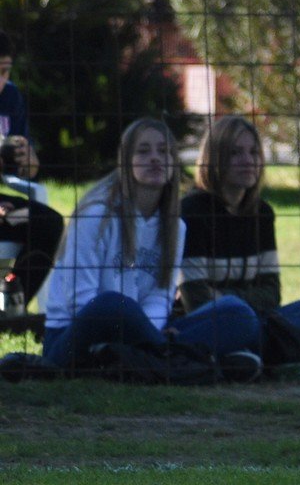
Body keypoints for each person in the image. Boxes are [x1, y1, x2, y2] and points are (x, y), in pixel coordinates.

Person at [41, 118, 260, 375]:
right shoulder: (95, 216)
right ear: (126, 161)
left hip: (141, 335)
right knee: (112, 304)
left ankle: (161, 360)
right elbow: (80, 302)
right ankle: (186, 362)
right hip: (73, 337)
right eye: (143, 151)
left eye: (164, 151)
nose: (155, 158)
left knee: (237, 313)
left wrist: (148, 331)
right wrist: (140, 330)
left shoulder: (175, 227)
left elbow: (160, 296)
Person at [178, 115, 300, 340]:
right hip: (208, 324)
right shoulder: (191, 211)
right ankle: (273, 346)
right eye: (235, 153)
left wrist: (223, 295)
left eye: (253, 152)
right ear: (214, 159)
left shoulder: (262, 213)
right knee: (236, 313)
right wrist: (238, 303)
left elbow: (272, 292)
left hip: (257, 319)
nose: (248, 161)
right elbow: (196, 300)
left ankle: (257, 347)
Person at [0, 30, 66, 316]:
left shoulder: (10, 97)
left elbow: (28, 168)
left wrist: (29, 161)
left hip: (4, 208)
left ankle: (9, 310)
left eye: (3, 71)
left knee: (48, 223)